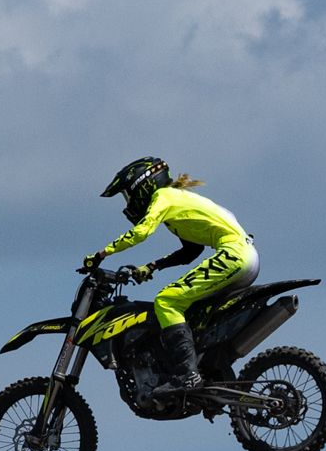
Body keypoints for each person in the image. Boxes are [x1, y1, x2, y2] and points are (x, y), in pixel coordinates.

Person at [84, 157, 259, 394]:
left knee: (167, 301)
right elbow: (191, 251)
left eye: (127, 194)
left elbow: (141, 231)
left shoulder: (163, 196)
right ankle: (210, 371)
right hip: (244, 256)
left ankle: (188, 376)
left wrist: (101, 254)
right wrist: (153, 266)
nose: (128, 202)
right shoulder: (177, 199)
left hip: (234, 255)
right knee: (194, 310)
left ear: (142, 184)